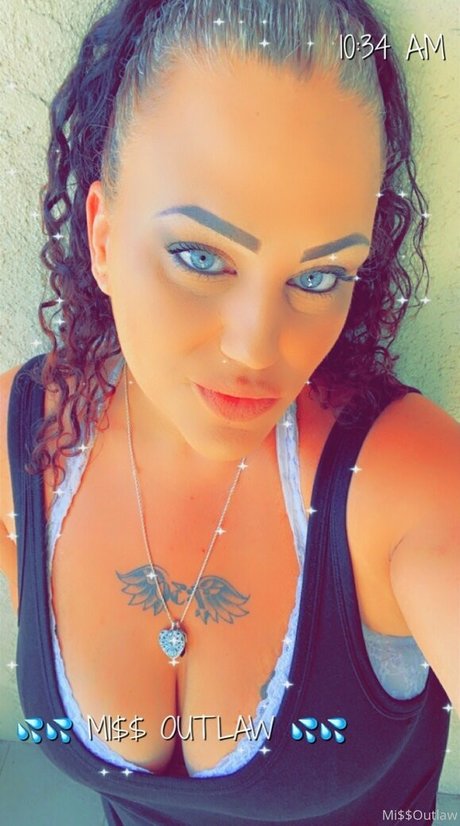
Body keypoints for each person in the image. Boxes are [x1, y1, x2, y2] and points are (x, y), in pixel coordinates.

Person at [0, 0, 458, 823]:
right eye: (200, 256)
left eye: (318, 277)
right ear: (103, 238)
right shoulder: (22, 437)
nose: (256, 348)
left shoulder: (404, 481)